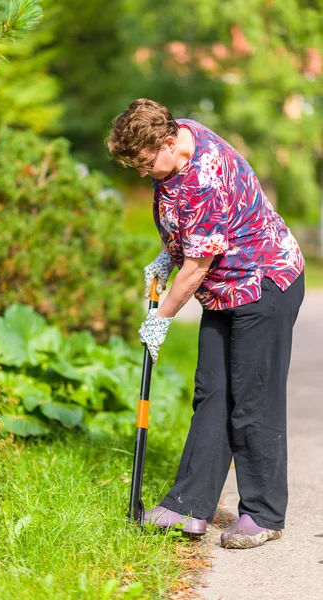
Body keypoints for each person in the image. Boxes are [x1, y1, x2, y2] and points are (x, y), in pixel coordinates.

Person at [106, 98, 305, 549]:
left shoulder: (203, 175)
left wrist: (160, 319)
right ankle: (188, 506)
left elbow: (196, 268)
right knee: (212, 391)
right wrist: (165, 255)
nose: (142, 173)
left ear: (169, 142)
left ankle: (264, 514)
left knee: (253, 399)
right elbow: (187, 232)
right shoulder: (179, 143)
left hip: (265, 284)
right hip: (224, 288)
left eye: (144, 163)